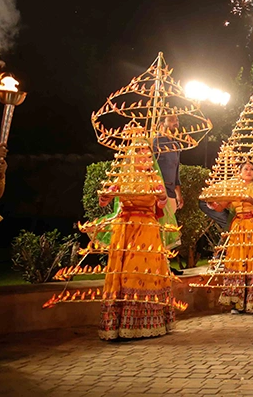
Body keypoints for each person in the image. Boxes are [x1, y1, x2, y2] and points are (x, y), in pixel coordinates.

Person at [97, 142, 176, 339]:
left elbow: (162, 203)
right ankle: (120, 324)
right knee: (123, 273)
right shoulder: (122, 178)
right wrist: (105, 196)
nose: (146, 159)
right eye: (141, 155)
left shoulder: (154, 179)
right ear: (132, 158)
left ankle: (147, 322)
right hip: (124, 229)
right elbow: (104, 200)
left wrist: (162, 197)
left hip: (146, 229)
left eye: (148, 156)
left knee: (141, 270)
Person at [206, 161, 253, 314]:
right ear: (239, 172)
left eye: (252, 169)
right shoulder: (234, 189)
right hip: (239, 228)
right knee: (238, 262)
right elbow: (220, 207)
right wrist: (211, 202)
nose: (249, 171)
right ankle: (237, 302)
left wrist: (250, 200)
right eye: (246, 169)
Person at [152, 115, 183, 262]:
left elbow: (176, 171)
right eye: (171, 120)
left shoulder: (176, 144)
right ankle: (157, 263)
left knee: (169, 229)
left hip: (171, 192)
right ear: (161, 124)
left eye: (176, 121)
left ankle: (167, 264)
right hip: (158, 193)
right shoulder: (155, 142)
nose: (175, 123)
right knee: (158, 228)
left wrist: (179, 194)